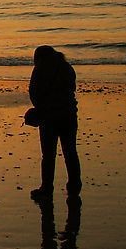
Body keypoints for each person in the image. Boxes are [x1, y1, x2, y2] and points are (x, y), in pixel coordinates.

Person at [28, 45, 81, 200]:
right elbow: (72, 88)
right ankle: (74, 186)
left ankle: (46, 188)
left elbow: (34, 92)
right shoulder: (67, 67)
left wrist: (39, 108)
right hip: (68, 115)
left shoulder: (39, 69)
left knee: (48, 155)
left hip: (48, 117)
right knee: (70, 152)